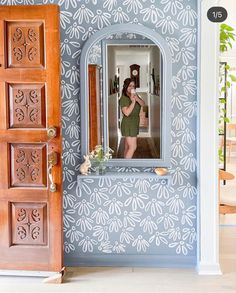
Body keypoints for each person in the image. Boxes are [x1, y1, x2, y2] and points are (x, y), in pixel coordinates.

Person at [119, 78, 145, 159]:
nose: (132, 88)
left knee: (127, 147)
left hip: (134, 123)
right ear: (125, 86)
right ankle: (125, 167)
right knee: (133, 147)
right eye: (130, 86)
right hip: (128, 124)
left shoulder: (135, 96)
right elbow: (126, 113)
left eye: (133, 86)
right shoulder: (124, 98)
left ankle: (124, 163)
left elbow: (143, 104)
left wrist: (137, 98)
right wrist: (133, 102)